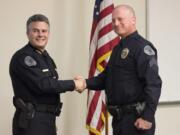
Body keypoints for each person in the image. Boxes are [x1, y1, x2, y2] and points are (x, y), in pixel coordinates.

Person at [76, 5, 162, 135]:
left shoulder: (142, 47)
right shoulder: (118, 49)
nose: (116, 23)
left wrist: (147, 117)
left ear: (133, 20)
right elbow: (106, 78)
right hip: (119, 120)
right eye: (113, 20)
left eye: (120, 19)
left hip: (137, 120)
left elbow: (154, 84)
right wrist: (85, 83)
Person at [9, 14, 84, 135]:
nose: (40, 34)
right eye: (35, 31)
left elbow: (52, 84)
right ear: (27, 33)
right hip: (32, 121)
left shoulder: (44, 56)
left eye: (44, 31)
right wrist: (74, 84)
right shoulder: (23, 57)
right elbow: (44, 85)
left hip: (46, 120)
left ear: (48, 34)